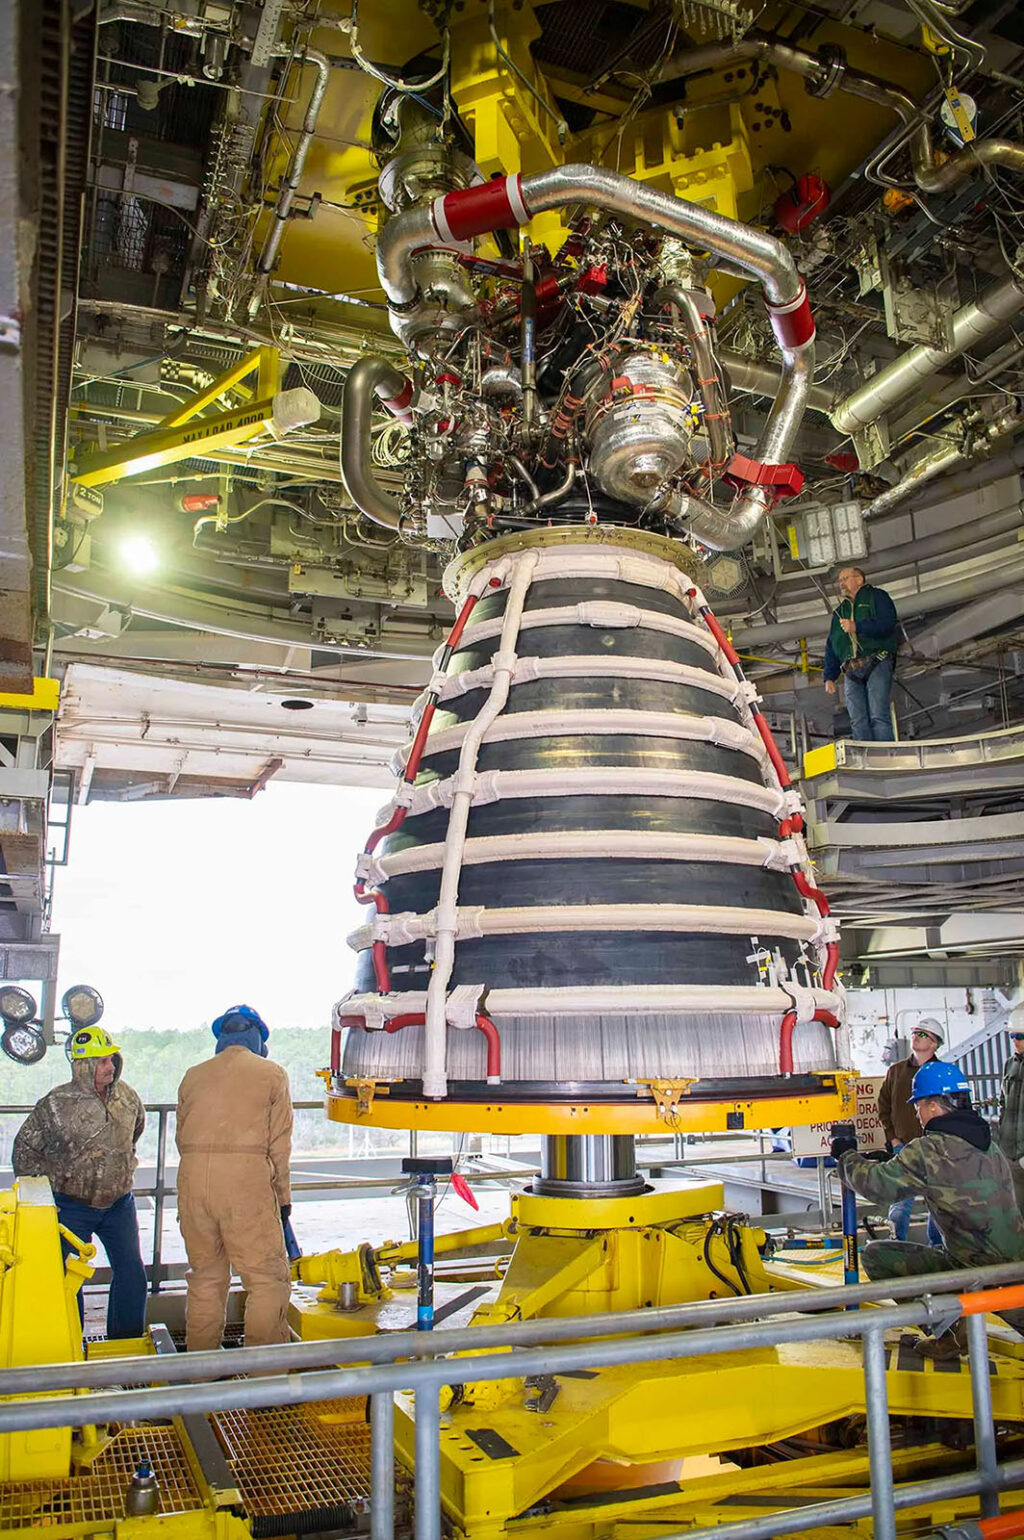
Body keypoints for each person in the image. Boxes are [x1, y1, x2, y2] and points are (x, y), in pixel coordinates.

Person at [831, 1059, 1024, 1355]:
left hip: (973, 1272)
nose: (918, 1114)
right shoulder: (989, 1142)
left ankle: (949, 1333)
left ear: (934, 1106)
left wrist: (847, 1157)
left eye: (919, 1106)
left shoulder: (929, 1150)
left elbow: (877, 1187)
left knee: (877, 1255)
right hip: (1017, 1268)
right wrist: (892, 1161)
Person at [12, 1024, 147, 1339]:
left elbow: (136, 1131)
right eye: (101, 1061)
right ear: (82, 1065)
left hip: (119, 1205)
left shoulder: (127, 1097)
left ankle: (125, 1347)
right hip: (71, 1206)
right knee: (68, 1278)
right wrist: (49, 1192)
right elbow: (25, 1152)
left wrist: (117, 1167)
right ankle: (72, 1344)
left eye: (112, 1059)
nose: (110, 1067)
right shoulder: (56, 1104)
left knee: (131, 1273)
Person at [175, 1005, 293, 1352]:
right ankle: (264, 1380)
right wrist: (283, 1200)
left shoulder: (192, 1075)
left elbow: (182, 1138)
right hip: (245, 1186)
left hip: (193, 1185)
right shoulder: (272, 1074)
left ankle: (202, 1372)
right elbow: (279, 1145)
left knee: (206, 1278)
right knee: (267, 1280)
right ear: (257, 1037)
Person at [877, 1018, 945, 1245]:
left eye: (923, 1034)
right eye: (915, 1032)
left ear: (935, 1044)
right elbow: (884, 1106)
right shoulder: (896, 1072)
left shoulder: (942, 1073)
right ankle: (897, 1246)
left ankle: (937, 1248)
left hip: (936, 1148)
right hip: (904, 1146)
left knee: (938, 1200)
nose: (916, 1036)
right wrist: (893, 1138)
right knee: (900, 1201)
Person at [823, 566, 899, 742]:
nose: (841, 582)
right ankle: (865, 755)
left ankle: (885, 756)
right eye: (840, 580)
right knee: (857, 720)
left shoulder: (876, 597)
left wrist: (857, 626)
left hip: (877, 661)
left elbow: (887, 623)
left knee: (878, 714)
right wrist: (829, 676)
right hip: (851, 670)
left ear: (859, 579)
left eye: (845, 578)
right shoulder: (839, 612)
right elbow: (832, 644)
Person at [997, 1016, 1024, 1213]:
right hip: (1010, 1152)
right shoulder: (1009, 1064)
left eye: (1020, 1036)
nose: (1015, 1040)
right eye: (1012, 1036)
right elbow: (1003, 1104)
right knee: (1015, 1212)